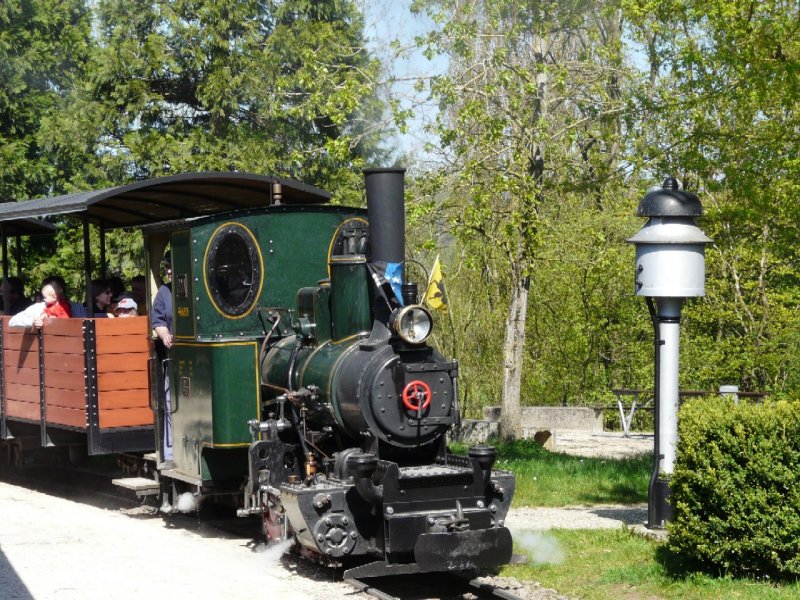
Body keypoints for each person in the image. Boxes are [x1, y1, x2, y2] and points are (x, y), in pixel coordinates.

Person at [152, 252, 173, 464]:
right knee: (169, 401)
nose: (168, 270)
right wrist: (165, 334)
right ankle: (169, 453)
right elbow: (157, 319)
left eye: (171, 266)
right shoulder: (164, 292)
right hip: (172, 357)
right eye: (166, 266)